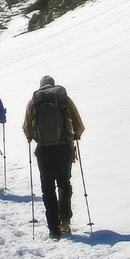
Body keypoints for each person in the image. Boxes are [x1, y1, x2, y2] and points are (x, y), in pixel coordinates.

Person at [23, 75, 85, 240]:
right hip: (64, 146)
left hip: (44, 149)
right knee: (64, 183)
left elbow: (27, 127)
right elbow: (78, 122)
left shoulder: (34, 100)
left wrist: (31, 136)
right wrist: (76, 134)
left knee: (47, 187)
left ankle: (53, 229)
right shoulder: (63, 97)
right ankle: (65, 220)